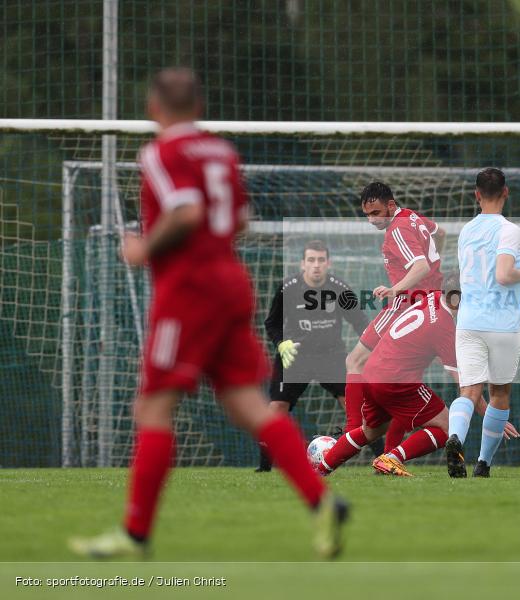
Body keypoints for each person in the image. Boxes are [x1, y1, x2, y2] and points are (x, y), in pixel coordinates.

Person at [68, 68, 347, 559]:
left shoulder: (160, 153)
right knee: (247, 404)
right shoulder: (220, 150)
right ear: (198, 107)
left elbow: (187, 211)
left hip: (189, 292)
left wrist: (143, 249)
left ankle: (135, 534)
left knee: (153, 408)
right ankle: (320, 501)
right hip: (230, 283)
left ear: (154, 108)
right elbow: (239, 218)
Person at [317, 274, 519, 477]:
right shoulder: (444, 326)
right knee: (449, 427)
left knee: (369, 431)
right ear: (457, 299)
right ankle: (392, 458)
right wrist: (490, 415)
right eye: (470, 297)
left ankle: (320, 470)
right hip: (397, 381)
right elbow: (465, 385)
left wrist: (514, 286)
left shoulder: (434, 296)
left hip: (371, 374)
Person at [445, 168, 520, 478]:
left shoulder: (466, 230)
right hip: (501, 324)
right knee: (499, 393)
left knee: (468, 391)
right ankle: (483, 464)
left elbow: (484, 276)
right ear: (506, 192)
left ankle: (456, 439)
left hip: (469, 321)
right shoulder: (508, 229)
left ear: (476, 194)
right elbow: (501, 274)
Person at [343, 182, 445, 450]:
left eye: (376, 213)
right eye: (367, 214)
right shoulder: (412, 217)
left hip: (406, 305)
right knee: (402, 378)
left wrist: (395, 288)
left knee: (355, 361)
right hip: (431, 306)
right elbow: (440, 233)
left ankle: (351, 434)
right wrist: (436, 269)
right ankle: (389, 454)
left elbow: (420, 266)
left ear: (391, 206)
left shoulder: (397, 230)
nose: (372, 220)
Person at [255, 240, 368, 472]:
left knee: (357, 408)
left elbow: (360, 324)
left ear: (328, 263)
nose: (316, 265)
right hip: (296, 356)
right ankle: (264, 468)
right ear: (302, 264)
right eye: (311, 260)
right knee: (276, 408)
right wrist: (281, 343)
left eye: (320, 260)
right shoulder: (288, 288)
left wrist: (369, 351)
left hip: (331, 356)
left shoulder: (340, 289)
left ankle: (382, 460)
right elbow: (272, 323)